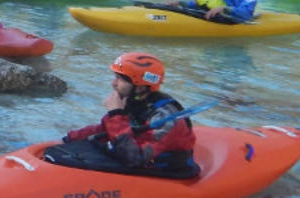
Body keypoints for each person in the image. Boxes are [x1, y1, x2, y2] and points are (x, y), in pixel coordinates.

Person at [53, 53, 198, 176]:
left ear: (140, 85)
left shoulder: (165, 118)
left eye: (120, 79)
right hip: (132, 153)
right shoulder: (134, 100)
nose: (113, 83)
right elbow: (104, 129)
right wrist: (69, 138)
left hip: (164, 170)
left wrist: (116, 114)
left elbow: (135, 158)